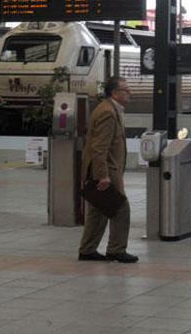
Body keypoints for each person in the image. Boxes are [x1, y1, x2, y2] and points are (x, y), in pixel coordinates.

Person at [78, 76, 138, 263]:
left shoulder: (111, 109)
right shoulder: (108, 113)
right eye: (126, 90)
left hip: (106, 167)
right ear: (115, 93)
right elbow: (99, 147)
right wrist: (103, 176)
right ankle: (116, 250)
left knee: (99, 211)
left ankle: (87, 250)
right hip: (106, 169)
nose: (130, 93)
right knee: (121, 209)